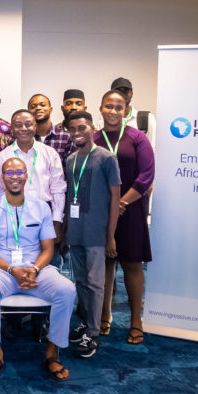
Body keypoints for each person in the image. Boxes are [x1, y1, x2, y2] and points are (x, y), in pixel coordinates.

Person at [0, 157, 76, 382]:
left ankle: (52, 353)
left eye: (19, 172)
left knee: (67, 289)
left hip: (35, 270)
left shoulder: (41, 207)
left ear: (26, 176)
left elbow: (48, 249)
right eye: (9, 173)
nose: (15, 177)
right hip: (2, 270)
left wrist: (35, 269)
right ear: (2, 177)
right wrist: (12, 270)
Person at [95, 90, 155, 346]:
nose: (113, 111)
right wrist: (108, 206)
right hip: (101, 212)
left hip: (130, 211)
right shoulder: (93, 138)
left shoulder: (137, 138)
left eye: (118, 107)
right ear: (101, 108)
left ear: (126, 111)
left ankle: (136, 321)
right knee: (104, 265)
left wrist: (121, 203)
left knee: (132, 265)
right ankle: (103, 316)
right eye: (108, 106)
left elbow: (146, 175)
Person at [63, 111, 120, 359]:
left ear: (92, 128)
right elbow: (69, 197)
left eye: (82, 128)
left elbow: (115, 198)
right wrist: (65, 231)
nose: (77, 132)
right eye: (73, 129)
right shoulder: (70, 160)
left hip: (97, 231)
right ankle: (86, 323)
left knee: (96, 283)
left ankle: (94, 333)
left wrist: (111, 236)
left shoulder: (107, 158)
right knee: (81, 281)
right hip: (76, 230)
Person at [0, 109, 67, 245]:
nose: (23, 128)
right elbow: (1, 190)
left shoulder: (50, 153)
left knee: (47, 255)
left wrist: (57, 221)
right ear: (12, 128)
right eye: (18, 125)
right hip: (14, 214)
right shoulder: (3, 157)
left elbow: (58, 188)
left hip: (45, 214)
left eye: (28, 124)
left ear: (35, 126)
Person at [27, 93, 73, 163]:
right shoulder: (24, 137)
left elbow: (69, 167)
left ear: (50, 110)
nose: (38, 108)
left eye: (43, 105)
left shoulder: (66, 137)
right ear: (28, 113)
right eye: (33, 106)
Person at [111, 77, 157, 147]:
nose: (122, 94)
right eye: (118, 92)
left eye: (126, 91)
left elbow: (153, 148)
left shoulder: (146, 119)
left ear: (131, 94)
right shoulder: (105, 120)